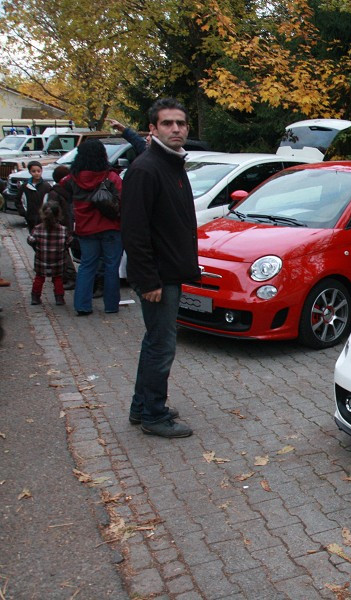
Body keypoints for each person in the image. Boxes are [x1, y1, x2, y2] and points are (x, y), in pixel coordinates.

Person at [121, 98, 199, 438]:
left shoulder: (172, 164)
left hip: (169, 273)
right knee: (162, 345)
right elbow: (134, 231)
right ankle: (154, 415)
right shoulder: (146, 168)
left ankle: (142, 408)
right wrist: (149, 279)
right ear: (152, 129)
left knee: (155, 342)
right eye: (168, 123)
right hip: (158, 278)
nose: (176, 129)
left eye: (180, 123)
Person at [64, 139, 123, 316]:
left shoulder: (72, 178)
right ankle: (111, 306)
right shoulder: (110, 177)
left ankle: (82, 305)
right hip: (111, 228)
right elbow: (123, 200)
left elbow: (60, 192)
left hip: (85, 229)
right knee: (112, 267)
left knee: (86, 266)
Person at [27, 202, 71, 305]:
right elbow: (69, 242)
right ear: (58, 214)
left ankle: (35, 297)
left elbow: (30, 240)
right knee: (58, 279)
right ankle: (59, 298)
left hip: (41, 260)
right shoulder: (63, 230)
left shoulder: (38, 229)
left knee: (39, 278)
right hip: (57, 260)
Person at [46, 165, 76, 290]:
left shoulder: (55, 193)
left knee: (62, 252)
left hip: (59, 226)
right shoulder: (68, 191)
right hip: (68, 225)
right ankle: (66, 275)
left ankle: (70, 276)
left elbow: (50, 211)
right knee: (63, 251)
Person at [17, 161, 52, 233]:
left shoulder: (46, 186)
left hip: (43, 217)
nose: (36, 173)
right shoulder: (25, 186)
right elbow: (18, 200)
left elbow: (50, 201)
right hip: (30, 216)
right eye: (34, 171)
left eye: (38, 171)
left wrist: (47, 213)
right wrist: (23, 212)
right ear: (30, 172)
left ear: (41, 171)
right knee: (32, 235)